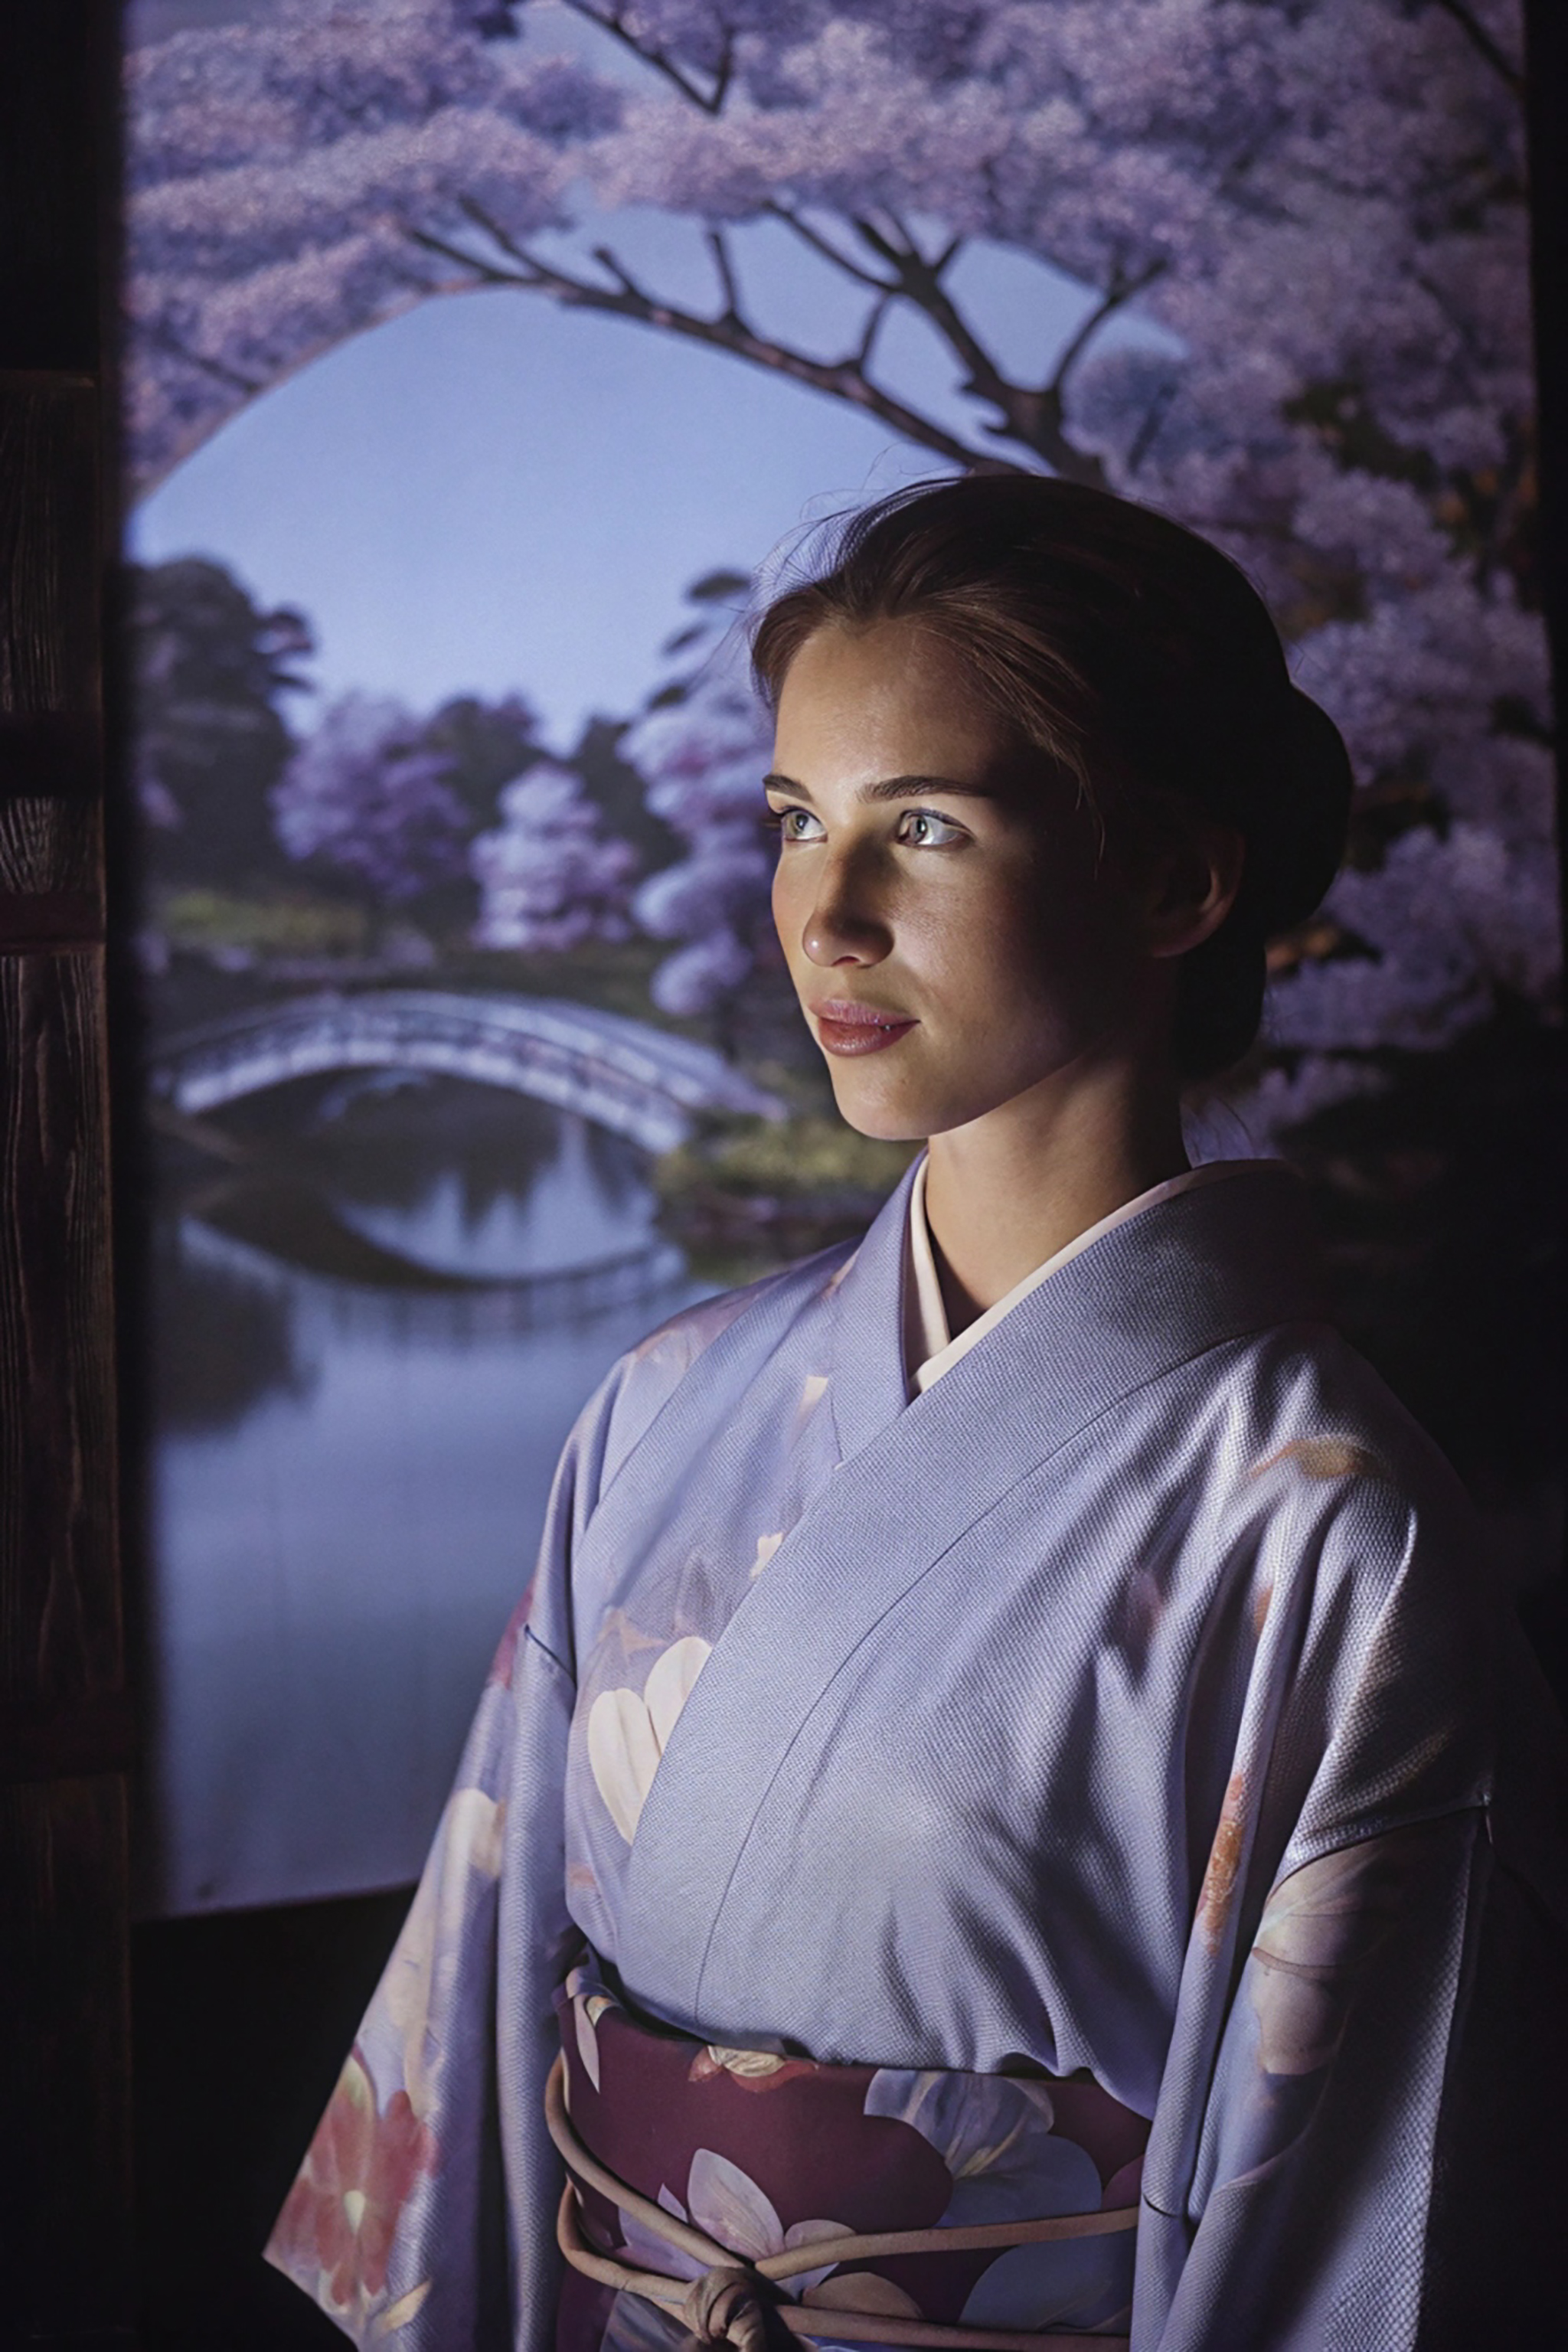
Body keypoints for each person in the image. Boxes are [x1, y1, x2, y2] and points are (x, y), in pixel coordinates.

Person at [266, 475, 1565, 2351]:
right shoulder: (666, 1410)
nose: (826, 914)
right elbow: (472, 2045)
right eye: (795, 823)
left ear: (1178, 881)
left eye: (925, 827)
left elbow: (1356, 2236)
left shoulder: (1323, 1536)